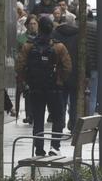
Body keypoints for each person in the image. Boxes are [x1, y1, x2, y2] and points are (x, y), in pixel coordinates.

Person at [16, 17, 71, 156]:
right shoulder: (59, 47)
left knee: (38, 119)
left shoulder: (28, 46)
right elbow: (67, 67)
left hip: (35, 88)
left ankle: (39, 148)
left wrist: (27, 81)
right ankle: (55, 147)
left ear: (39, 28)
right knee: (58, 117)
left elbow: (20, 66)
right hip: (54, 88)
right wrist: (60, 80)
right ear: (52, 29)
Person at [52, 16, 80, 130]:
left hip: (59, 73)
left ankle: (60, 123)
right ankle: (73, 124)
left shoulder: (55, 34)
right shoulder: (78, 35)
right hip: (75, 73)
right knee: (74, 102)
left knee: (60, 101)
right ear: (73, 23)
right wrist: (87, 73)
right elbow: (84, 54)